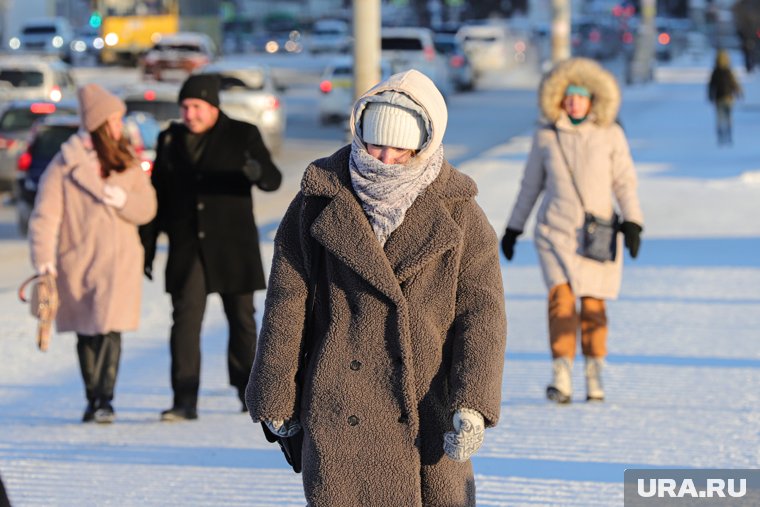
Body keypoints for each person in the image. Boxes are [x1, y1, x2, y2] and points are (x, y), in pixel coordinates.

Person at [246, 69, 507, 505]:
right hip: (338, 402)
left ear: (424, 144)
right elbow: (286, 303)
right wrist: (276, 393)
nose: (383, 157)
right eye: (374, 142)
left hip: (428, 406)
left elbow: (481, 316)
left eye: (399, 147)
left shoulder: (460, 215)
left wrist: (474, 402)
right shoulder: (318, 201)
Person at [501, 57, 644, 404]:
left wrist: (633, 221)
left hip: (598, 236)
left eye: (580, 95)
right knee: (560, 302)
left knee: (594, 306)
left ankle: (594, 374)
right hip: (555, 233)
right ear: (559, 98)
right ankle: (561, 375)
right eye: (569, 95)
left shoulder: (610, 135)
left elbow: (624, 181)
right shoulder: (546, 136)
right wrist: (513, 227)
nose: (574, 101)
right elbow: (530, 185)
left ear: (593, 99)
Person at [140, 74, 282, 421]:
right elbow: (156, 195)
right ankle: (184, 399)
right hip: (187, 249)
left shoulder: (242, 134)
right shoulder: (170, 138)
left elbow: (272, 179)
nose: (189, 114)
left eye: (196, 107)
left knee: (242, 321)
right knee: (185, 323)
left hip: (233, 245)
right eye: (185, 107)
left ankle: (249, 394)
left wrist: (254, 170)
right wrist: (145, 247)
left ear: (212, 105)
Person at [28, 83, 157, 423]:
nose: (120, 126)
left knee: (111, 329)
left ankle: (105, 399)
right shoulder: (64, 166)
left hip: (120, 261)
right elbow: (45, 217)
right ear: (101, 123)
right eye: (115, 119)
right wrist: (44, 262)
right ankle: (93, 396)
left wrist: (123, 201)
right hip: (79, 262)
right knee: (88, 331)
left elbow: (147, 208)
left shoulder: (127, 160)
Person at [708, 49, 742, 146]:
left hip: (719, 98)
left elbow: (711, 85)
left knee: (720, 118)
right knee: (728, 118)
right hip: (728, 98)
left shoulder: (715, 72)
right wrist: (738, 93)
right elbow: (734, 83)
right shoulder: (729, 71)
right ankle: (729, 134)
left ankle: (720, 136)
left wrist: (710, 96)